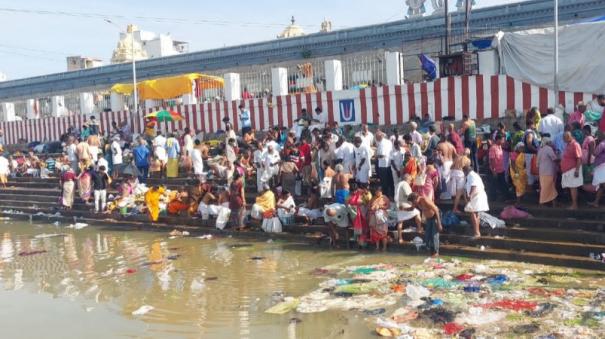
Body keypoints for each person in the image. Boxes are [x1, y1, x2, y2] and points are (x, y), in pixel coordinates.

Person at [409, 192, 442, 257]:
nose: (413, 204)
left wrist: (439, 223)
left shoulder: (425, 200)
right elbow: (411, 208)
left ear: (415, 199)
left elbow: (436, 210)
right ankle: (431, 251)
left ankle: (436, 252)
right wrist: (403, 209)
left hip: (435, 216)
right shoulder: (416, 202)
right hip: (429, 218)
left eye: (413, 202)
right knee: (427, 235)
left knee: (434, 235)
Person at [463, 163, 489, 238]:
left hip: (476, 196)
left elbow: (474, 186)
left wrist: (470, 196)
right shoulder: (473, 175)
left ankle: (477, 233)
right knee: (475, 214)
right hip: (477, 196)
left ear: (465, 171)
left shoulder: (471, 175)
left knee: (473, 214)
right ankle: (477, 232)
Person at [394, 174, 422, 244]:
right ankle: (419, 229)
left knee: (400, 221)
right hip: (404, 204)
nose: (411, 182)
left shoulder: (398, 184)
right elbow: (410, 196)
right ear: (407, 179)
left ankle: (400, 238)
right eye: (410, 180)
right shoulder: (405, 184)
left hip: (398, 205)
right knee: (417, 212)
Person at [561, 131, 583, 210]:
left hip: (573, 170)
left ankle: (575, 205)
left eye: (565, 138)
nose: (563, 139)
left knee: (573, 188)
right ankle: (573, 204)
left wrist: (577, 170)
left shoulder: (575, 144)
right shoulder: (568, 145)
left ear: (569, 137)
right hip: (568, 170)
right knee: (571, 187)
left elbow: (579, 158)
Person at [536, 137, 558, 207]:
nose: (551, 143)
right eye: (550, 142)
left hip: (542, 171)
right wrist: (560, 159)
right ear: (547, 143)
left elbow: (537, 163)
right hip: (548, 171)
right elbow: (554, 158)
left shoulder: (540, 150)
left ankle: (554, 203)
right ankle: (542, 202)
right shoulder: (548, 149)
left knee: (550, 187)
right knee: (547, 188)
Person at [368, 187, 390, 251]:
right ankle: (377, 247)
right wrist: (372, 208)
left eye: (379, 191)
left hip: (382, 217)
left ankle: (384, 247)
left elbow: (388, 206)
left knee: (383, 233)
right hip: (374, 217)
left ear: (381, 191)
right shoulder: (373, 198)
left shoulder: (384, 197)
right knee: (375, 233)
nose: (377, 193)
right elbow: (368, 207)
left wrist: (380, 207)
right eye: (376, 191)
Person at [488, 134, 508, 201]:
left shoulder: (500, 147)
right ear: (498, 140)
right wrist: (493, 170)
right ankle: (492, 199)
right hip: (495, 170)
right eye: (502, 140)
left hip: (501, 169)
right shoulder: (493, 148)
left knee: (503, 184)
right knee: (494, 185)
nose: (503, 141)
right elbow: (492, 160)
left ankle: (504, 197)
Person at [375, 131, 394, 198]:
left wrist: (376, 156)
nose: (375, 138)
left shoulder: (381, 143)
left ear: (379, 137)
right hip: (389, 164)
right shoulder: (388, 142)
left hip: (383, 165)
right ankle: (391, 195)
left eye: (376, 137)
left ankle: (386, 197)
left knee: (384, 183)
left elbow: (382, 155)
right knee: (390, 182)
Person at [589, 132, 605, 207]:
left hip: (601, 167)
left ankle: (596, 202)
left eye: (599, 135)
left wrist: (592, 145)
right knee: (601, 185)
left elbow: (594, 153)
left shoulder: (602, 144)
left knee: (601, 185)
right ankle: (596, 202)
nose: (598, 137)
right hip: (602, 166)